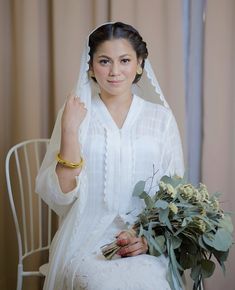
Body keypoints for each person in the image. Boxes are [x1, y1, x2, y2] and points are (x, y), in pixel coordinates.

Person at [36, 22, 184, 290]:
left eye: (124, 60)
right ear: (90, 67)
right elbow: (61, 195)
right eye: (104, 61)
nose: (115, 71)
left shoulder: (160, 118)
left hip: (144, 239)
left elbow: (174, 194)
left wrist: (148, 238)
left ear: (139, 64)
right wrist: (70, 129)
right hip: (86, 237)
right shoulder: (75, 114)